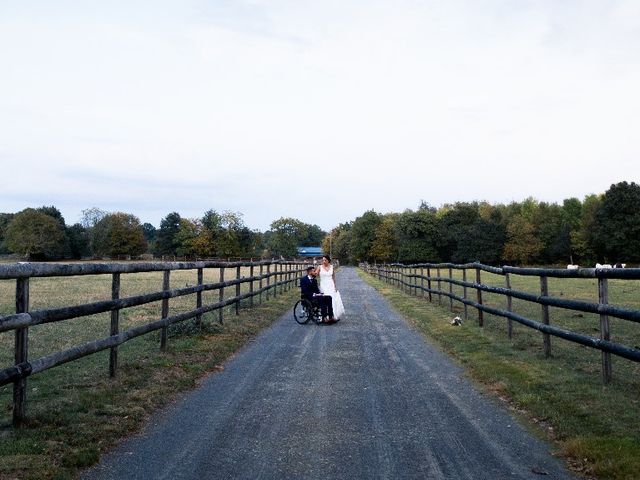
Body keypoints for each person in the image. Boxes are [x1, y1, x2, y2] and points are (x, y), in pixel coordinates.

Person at [315, 255, 345, 321]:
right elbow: (316, 274)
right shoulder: (319, 267)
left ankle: (333, 315)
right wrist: (312, 273)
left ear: (328, 261)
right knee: (325, 299)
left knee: (332, 298)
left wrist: (335, 286)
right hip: (323, 285)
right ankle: (325, 315)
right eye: (323, 260)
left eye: (325, 260)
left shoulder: (332, 267)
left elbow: (333, 277)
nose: (324, 261)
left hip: (330, 285)